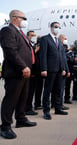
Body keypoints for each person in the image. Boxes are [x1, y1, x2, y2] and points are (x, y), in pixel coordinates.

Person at [0, 9, 37, 139]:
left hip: (25, 71)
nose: (25, 21)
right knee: (11, 99)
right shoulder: (7, 30)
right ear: (15, 18)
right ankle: (5, 126)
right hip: (16, 71)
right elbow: (10, 51)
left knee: (23, 97)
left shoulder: (19, 32)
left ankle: (21, 118)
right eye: (24, 18)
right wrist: (22, 66)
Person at [40, 21, 68, 120]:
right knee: (47, 90)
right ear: (51, 28)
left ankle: (58, 108)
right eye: (56, 27)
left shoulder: (59, 41)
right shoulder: (45, 39)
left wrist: (63, 68)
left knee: (58, 90)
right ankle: (46, 111)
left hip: (59, 70)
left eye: (59, 27)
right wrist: (44, 69)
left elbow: (62, 56)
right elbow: (43, 55)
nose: (57, 29)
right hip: (50, 69)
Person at [25, 30, 39, 115]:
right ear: (28, 36)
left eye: (34, 35)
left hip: (34, 71)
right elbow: (29, 55)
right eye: (32, 35)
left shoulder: (32, 44)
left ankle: (29, 107)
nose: (33, 37)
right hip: (29, 70)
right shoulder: (27, 44)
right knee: (28, 91)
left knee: (32, 91)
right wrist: (36, 50)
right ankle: (27, 108)